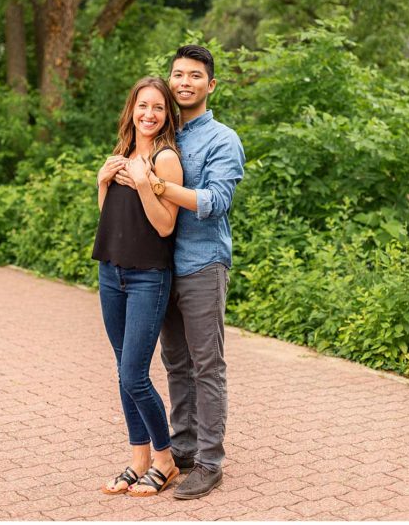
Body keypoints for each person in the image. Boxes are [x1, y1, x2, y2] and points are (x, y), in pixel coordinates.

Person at [115, 44, 245, 499]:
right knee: (175, 364)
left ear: (211, 85)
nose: (184, 82)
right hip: (159, 269)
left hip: (202, 264)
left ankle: (211, 461)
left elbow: (216, 202)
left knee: (207, 365)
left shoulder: (222, 139)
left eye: (195, 75)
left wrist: (159, 183)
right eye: (178, 74)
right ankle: (184, 447)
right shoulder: (159, 133)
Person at [93, 77, 184, 497]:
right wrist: (103, 182)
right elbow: (110, 217)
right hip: (111, 273)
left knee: (134, 374)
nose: (149, 114)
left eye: (158, 108)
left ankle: (164, 460)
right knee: (122, 372)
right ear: (131, 108)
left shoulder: (165, 160)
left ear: (167, 115)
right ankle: (138, 459)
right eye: (142, 105)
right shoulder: (121, 153)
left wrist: (145, 182)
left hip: (149, 276)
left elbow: (166, 226)